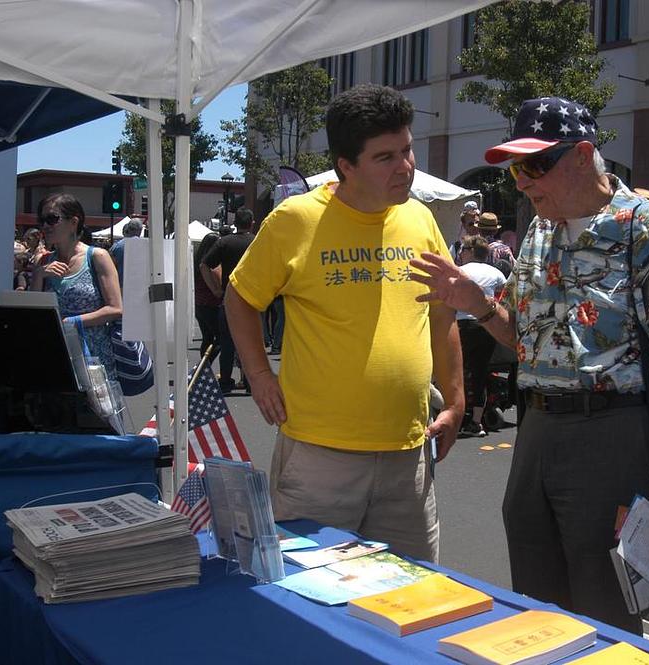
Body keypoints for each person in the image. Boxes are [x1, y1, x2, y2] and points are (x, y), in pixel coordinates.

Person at [409, 96, 649, 633]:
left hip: (611, 433)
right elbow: (523, 341)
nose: (522, 181)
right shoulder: (541, 230)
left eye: (535, 165)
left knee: (604, 605)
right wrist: (477, 304)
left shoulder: (645, 228)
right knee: (536, 601)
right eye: (515, 169)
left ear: (583, 156)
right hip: (537, 430)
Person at [225, 84, 464, 563]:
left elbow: (442, 314)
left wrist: (456, 400)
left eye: (407, 150)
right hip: (319, 456)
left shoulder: (419, 219)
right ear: (346, 166)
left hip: (408, 454)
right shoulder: (296, 219)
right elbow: (240, 297)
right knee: (310, 597)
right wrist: (258, 375)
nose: (406, 167)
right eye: (385, 157)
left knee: (412, 600)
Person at [31, 193, 122, 378]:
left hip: (93, 361)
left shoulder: (97, 257)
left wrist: (73, 322)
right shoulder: (43, 261)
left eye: (52, 219)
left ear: (73, 222)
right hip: (56, 357)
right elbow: (33, 311)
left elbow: (116, 308)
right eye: (42, 220)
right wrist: (39, 274)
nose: (45, 226)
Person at [456, 235, 507, 438]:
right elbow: (503, 294)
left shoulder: (460, 271)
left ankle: (456, 415)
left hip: (462, 324)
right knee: (480, 372)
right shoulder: (495, 273)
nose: (460, 253)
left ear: (469, 251)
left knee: (456, 371)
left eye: (463, 250)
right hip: (486, 325)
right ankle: (476, 421)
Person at [202, 208, 256, 393]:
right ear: (252, 223)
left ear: (235, 223)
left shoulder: (224, 242)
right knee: (251, 343)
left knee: (227, 344)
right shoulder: (257, 242)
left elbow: (205, 265)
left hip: (229, 298)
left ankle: (225, 382)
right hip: (251, 299)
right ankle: (249, 382)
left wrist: (215, 289)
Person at [193, 232, 221, 358]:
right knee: (221, 338)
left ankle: (203, 369)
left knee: (207, 337)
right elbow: (217, 286)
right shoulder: (209, 265)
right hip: (211, 305)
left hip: (199, 304)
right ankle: (205, 365)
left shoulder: (195, 261)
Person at [108, 217, 144, 289]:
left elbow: (110, 268)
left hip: (121, 285)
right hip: (140, 286)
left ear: (128, 228)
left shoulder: (117, 246)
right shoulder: (145, 246)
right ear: (140, 230)